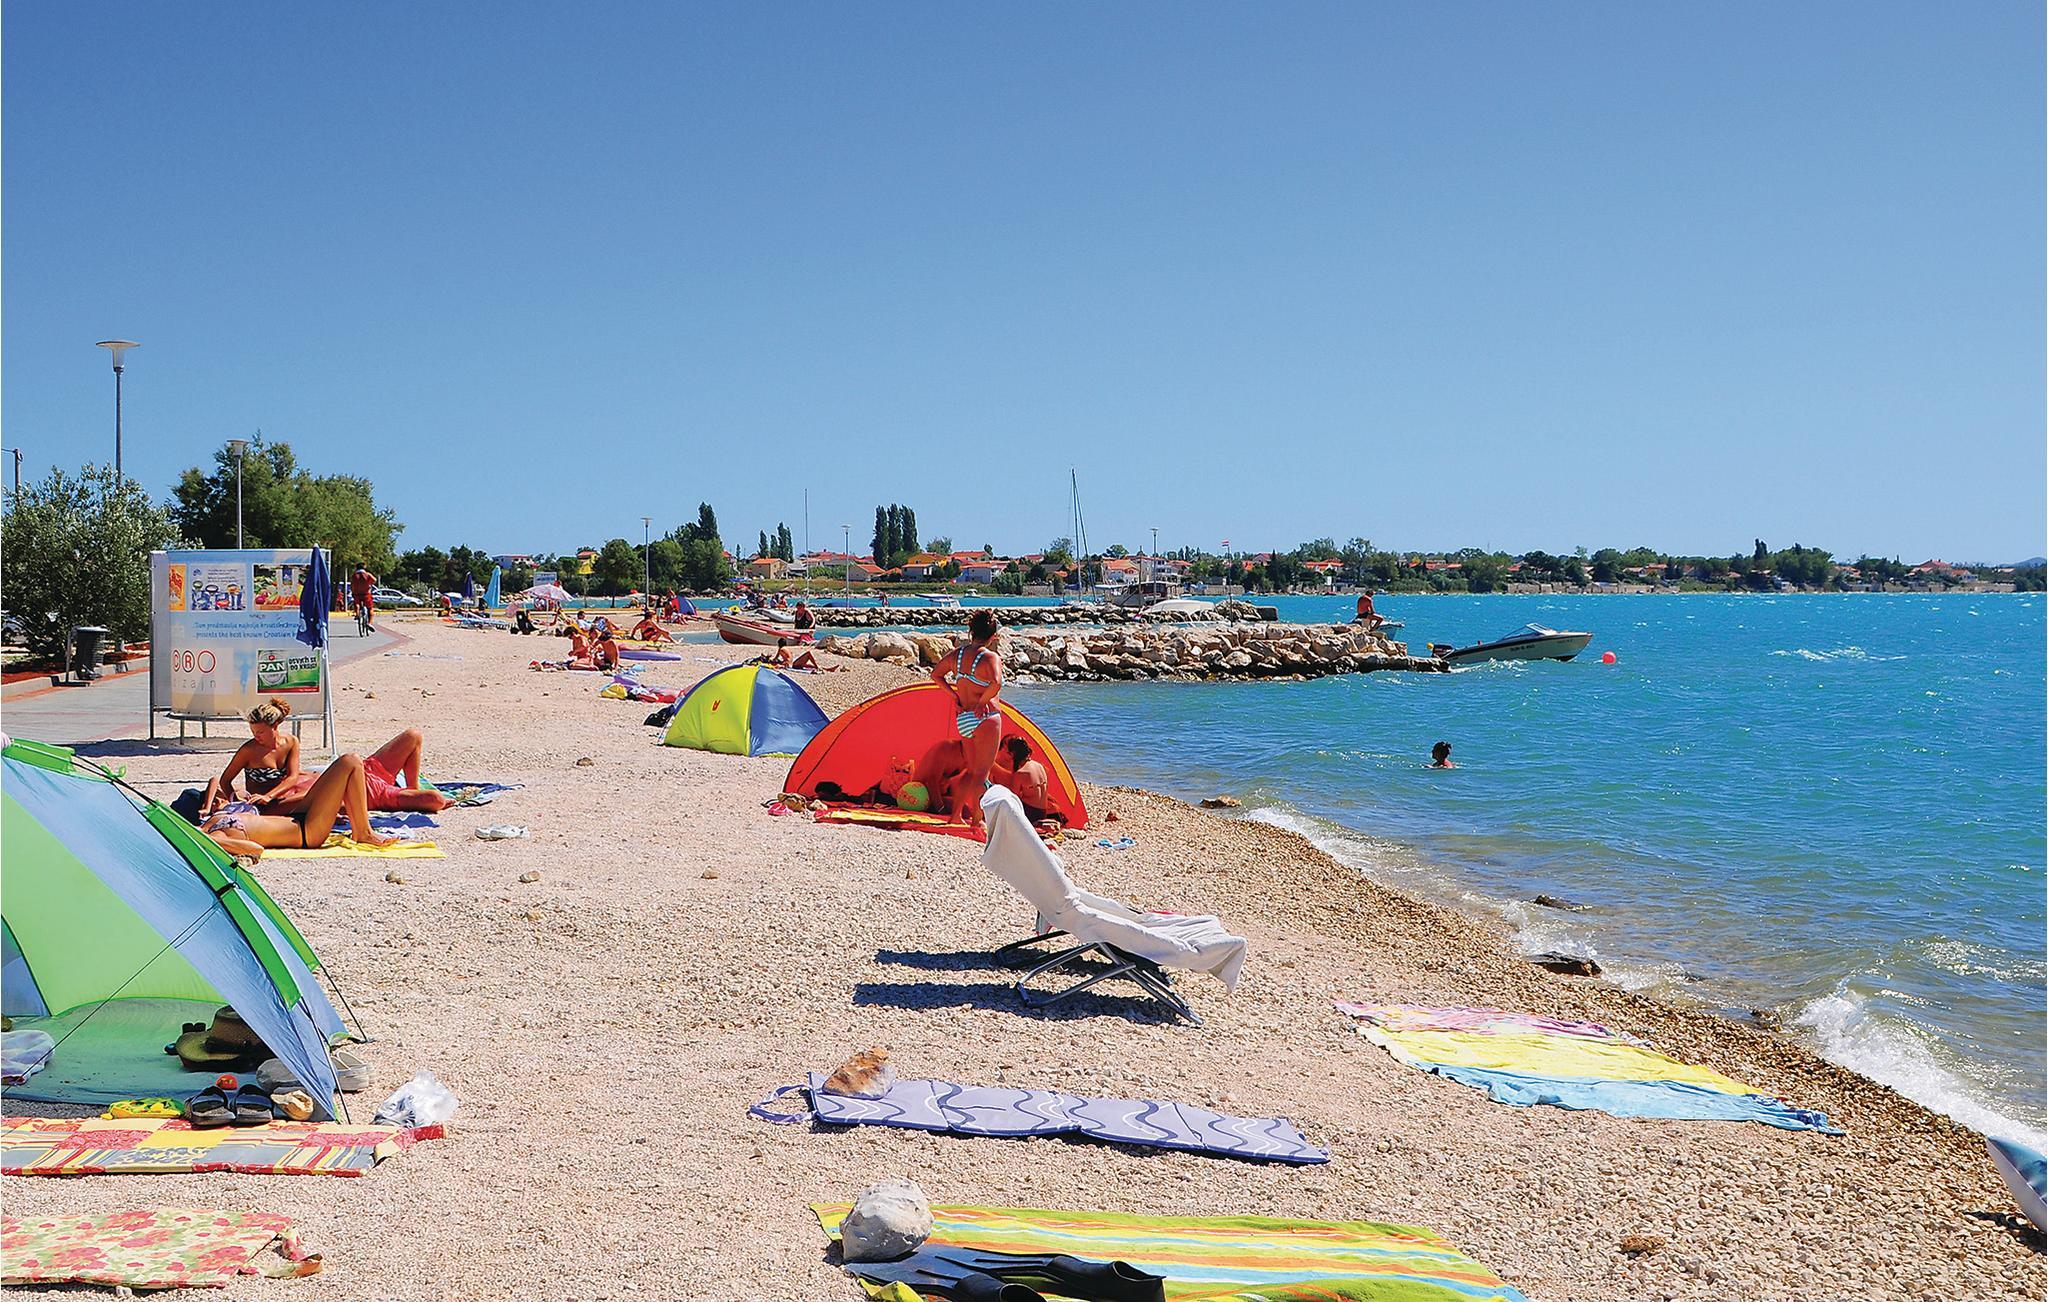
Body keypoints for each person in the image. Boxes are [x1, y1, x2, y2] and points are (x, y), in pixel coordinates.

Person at [184, 753, 395, 858]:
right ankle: (363, 832)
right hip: (307, 832)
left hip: (296, 817)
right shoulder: (215, 836)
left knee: (350, 760)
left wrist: (208, 807)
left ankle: (362, 830)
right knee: (350, 763)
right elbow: (255, 850)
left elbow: (215, 782)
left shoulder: (216, 818)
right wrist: (208, 841)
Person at [932, 609, 1003, 828]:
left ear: (971, 632)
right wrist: (982, 702)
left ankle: (955, 816)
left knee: (971, 771)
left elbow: (936, 675)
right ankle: (977, 821)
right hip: (985, 717)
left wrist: (954, 696)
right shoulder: (990, 657)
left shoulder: (958, 655)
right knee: (982, 773)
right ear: (993, 636)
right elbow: (996, 683)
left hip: (964, 718)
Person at [992, 735, 1058, 825]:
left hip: (1030, 813)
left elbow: (1013, 799)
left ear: (1012, 754)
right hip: (1042, 812)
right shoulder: (1039, 765)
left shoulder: (1021, 773)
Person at [349, 564, 377, 631]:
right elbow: (374, 580)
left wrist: (353, 591)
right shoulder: (367, 574)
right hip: (366, 594)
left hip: (356, 594)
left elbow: (351, 584)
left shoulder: (354, 576)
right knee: (370, 608)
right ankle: (369, 623)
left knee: (356, 603)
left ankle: (357, 614)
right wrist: (369, 583)